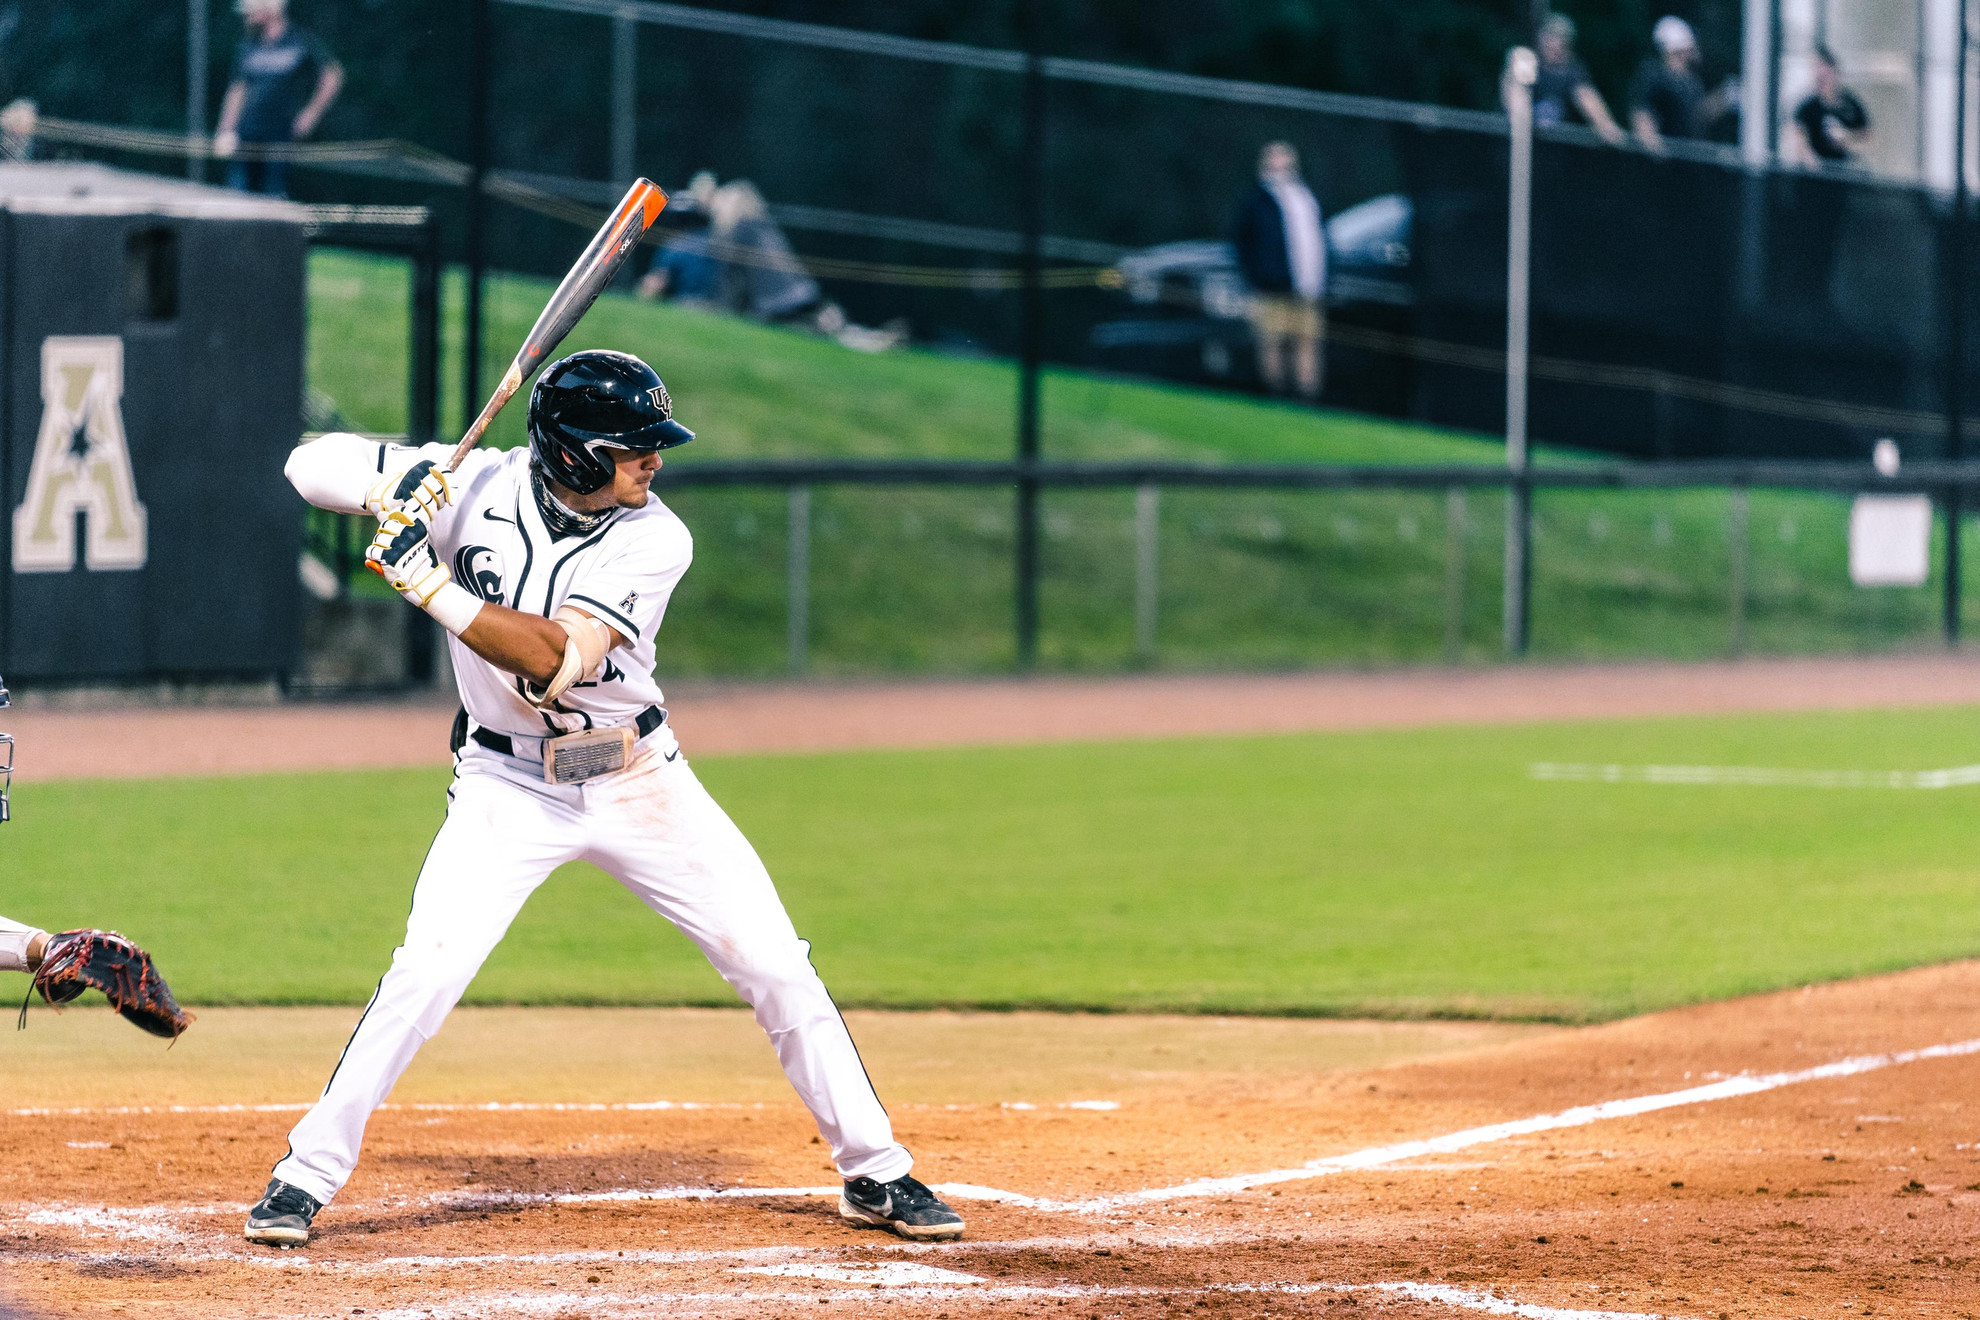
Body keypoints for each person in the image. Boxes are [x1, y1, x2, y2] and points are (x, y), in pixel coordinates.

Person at [249, 350, 964, 1249]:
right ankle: (302, 1177)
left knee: (776, 962)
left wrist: (426, 583)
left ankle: (876, 1170)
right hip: (506, 787)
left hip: (638, 779)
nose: (653, 461)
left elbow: (555, 661)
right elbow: (306, 464)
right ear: (578, 454)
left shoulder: (656, 537)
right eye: (634, 448)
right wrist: (399, 490)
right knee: (425, 973)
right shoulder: (475, 481)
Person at [212, 0, 343, 197]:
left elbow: (332, 76)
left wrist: (311, 114)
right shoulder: (248, 45)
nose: (247, 16)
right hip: (245, 136)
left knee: (273, 197)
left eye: (253, 10)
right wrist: (226, 129)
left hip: (280, 136)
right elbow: (237, 90)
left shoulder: (300, 40)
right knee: (237, 196)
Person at [1231, 140, 1327, 401]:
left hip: (1307, 287)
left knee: (1307, 342)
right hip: (1270, 289)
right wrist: (1257, 278)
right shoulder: (1256, 201)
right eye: (1273, 158)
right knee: (1272, 342)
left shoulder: (1305, 197)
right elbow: (1241, 243)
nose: (1279, 163)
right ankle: (1276, 395)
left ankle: (1306, 398)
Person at [1628, 16, 1738, 151]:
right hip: (1666, 163)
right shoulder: (1653, 75)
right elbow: (1642, 113)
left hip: (1687, 162)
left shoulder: (1691, 82)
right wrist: (1653, 148)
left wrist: (1723, 99)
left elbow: (1696, 117)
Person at [1526, 14, 1625, 144]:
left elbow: (1586, 97)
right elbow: (1514, 97)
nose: (1554, 44)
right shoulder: (1526, 64)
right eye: (1550, 38)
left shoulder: (1574, 73)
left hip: (1560, 151)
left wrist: (1605, 125)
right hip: (1525, 146)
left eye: (1560, 39)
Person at [1788, 45, 1870, 168]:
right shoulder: (1808, 107)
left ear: (1832, 70)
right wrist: (1812, 163)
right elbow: (1797, 137)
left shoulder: (1850, 103)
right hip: (1817, 172)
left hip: (1844, 169)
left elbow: (1866, 136)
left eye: (1821, 66)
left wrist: (1847, 140)